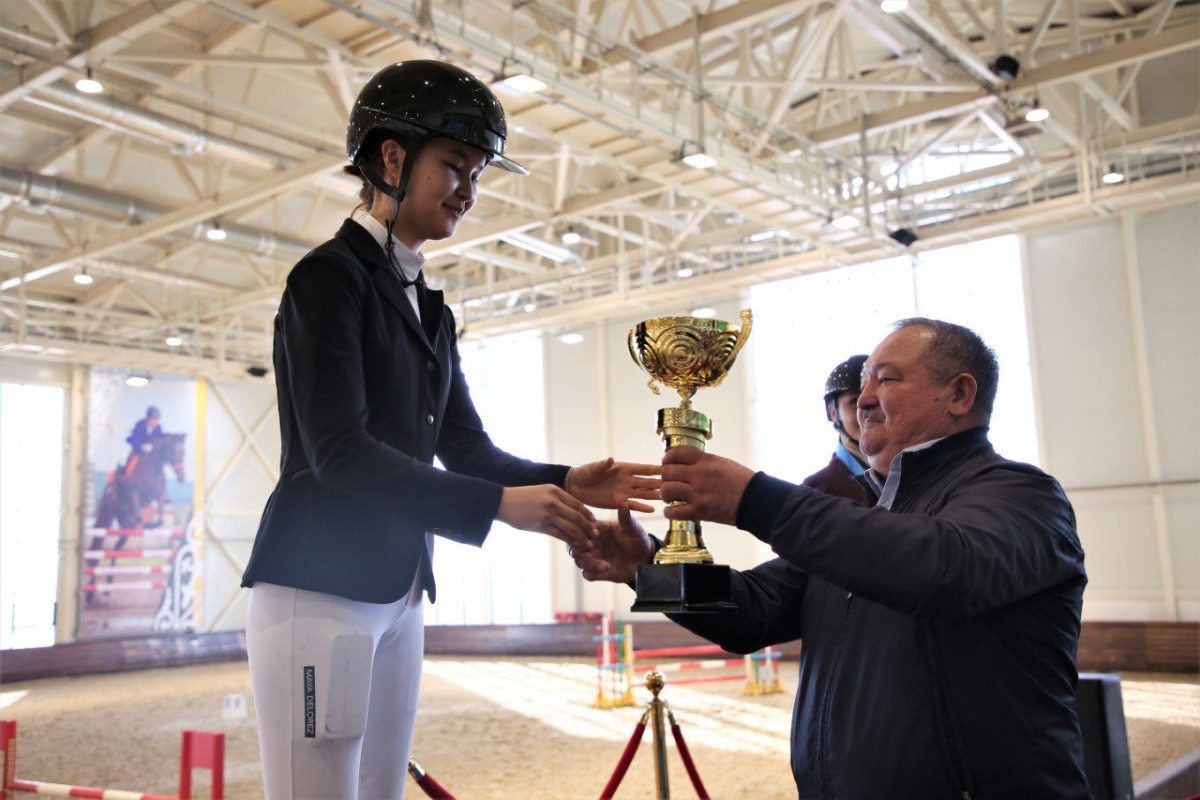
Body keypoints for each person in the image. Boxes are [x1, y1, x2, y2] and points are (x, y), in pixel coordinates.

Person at [242, 60, 660, 800]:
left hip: (401, 591)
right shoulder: (326, 279)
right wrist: (496, 507)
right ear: (392, 157)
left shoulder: (431, 309)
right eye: (456, 167)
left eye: (477, 175)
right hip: (320, 584)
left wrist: (564, 482)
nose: (468, 191)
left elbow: (466, 449)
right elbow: (338, 453)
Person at [575, 318, 1089, 799]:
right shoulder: (859, 518)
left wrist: (755, 500)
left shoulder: (1024, 496)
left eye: (885, 380)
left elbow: (942, 569)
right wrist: (651, 567)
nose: (863, 400)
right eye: (863, 384)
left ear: (959, 394)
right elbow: (749, 612)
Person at [804, 354, 868, 501]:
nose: (868, 409)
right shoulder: (817, 490)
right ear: (833, 412)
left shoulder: (912, 475)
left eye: (878, 397)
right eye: (855, 401)